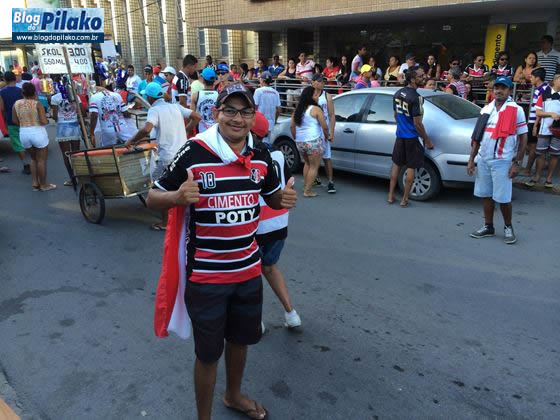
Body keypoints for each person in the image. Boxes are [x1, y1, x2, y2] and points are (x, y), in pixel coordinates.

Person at [148, 82, 296, 420]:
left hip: (248, 270)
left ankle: (233, 395)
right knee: (208, 354)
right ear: (216, 113)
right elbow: (152, 197)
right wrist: (176, 197)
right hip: (207, 277)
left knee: (241, 340)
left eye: (245, 111)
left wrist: (283, 199)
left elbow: (271, 196)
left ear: (253, 117)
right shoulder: (194, 152)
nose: (237, 118)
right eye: (230, 110)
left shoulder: (260, 154)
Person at [251, 112, 301, 330]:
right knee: (270, 267)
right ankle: (291, 314)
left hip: (256, 224)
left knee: (251, 274)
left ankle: (255, 321)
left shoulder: (250, 155)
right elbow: (289, 183)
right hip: (279, 221)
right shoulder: (278, 153)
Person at [126, 82, 199, 230]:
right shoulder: (175, 106)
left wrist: (131, 141)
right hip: (183, 154)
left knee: (158, 188)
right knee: (182, 184)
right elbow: (197, 116)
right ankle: (186, 217)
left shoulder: (154, 110)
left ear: (150, 98)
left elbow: (146, 129)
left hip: (167, 156)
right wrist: (186, 130)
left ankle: (165, 223)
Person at [467, 76, 528, 244]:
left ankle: (508, 227)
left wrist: (517, 163)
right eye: (497, 88)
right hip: (484, 159)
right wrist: (471, 159)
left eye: (503, 88)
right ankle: (488, 226)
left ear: (509, 90)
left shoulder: (516, 110)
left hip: (503, 161)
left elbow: (523, 137)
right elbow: (477, 136)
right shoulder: (486, 109)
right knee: (485, 195)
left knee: (503, 198)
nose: (499, 91)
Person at [388, 68, 434, 207]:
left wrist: (402, 127)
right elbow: (417, 123)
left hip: (400, 135)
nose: (424, 77)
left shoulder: (397, 93)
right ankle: (404, 199)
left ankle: (390, 196)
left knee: (396, 164)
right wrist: (427, 139)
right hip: (412, 137)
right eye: (421, 76)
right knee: (411, 167)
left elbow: (395, 115)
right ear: (413, 79)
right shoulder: (416, 97)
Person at [12, 83, 53, 191]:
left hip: (24, 133)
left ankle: (35, 183)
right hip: (37, 132)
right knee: (41, 160)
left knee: (33, 159)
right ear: (34, 92)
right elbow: (43, 121)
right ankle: (44, 185)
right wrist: (47, 120)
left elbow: (14, 121)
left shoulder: (16, 104)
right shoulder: (37, 104)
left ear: (22, 93)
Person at [291, 86, 328, 197]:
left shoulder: (298, 109)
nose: (317, 97)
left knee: (307, 164)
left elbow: (292, 126)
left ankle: (306, 186)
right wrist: (327, 136)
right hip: (313, 140)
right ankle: (308, 191)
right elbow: (325, 126)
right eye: (315, 95)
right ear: (310, 97)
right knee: (314, 166)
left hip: (300, 141)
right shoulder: (316, 109)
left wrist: (296, 138)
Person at [527, 74, 560, 188]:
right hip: (544, 129)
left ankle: (549, 178)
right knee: (540, 153)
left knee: (555, 155)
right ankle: (537, 176)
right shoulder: (544, 94)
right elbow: (538, 112)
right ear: (555, 81)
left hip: (558, 130)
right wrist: (550, 114)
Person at [51, 83, 82, 186]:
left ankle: (72, 179)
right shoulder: (76, 96)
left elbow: (55, 116)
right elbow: (82, 113)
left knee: (66, 155)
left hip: (62, 128)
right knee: (76, 154)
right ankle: (79, 176)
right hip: (75, 126)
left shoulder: (55, 98)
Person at [521, 67, 550, 176]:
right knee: (528, 144)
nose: (530, 79)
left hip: (536, 121)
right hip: (533, 121)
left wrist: (536, 124)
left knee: (532, 146)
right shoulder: (540, 88)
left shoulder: (544, 89)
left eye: (532, 77)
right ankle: (541, 164)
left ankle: (528, 170)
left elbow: (543, 108)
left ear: (537, 78)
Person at [0, 71, 29, 174]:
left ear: (5, 80)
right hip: (24, 119)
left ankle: (26, 164)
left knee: (17, 143)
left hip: (11, 120)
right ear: (15, 79)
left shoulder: (2, 92)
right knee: (27, 141)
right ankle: (33, 162)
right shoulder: (21, 91)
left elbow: (2, 108)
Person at [312, 73, 336, 193]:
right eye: (320, 81)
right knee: (312, 157)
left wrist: (331, 132)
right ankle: (313, 179)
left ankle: (330, 182)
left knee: (327, 157)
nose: (322, 83)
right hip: (312, 131)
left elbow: (332, 115)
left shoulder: (327, 96)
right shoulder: (308, 95)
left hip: (323, 130)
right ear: (313, 82)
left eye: (323, 81)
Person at [254, 71, 281, 142]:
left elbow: (254, 107)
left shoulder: (258, 91)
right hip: (271, 123)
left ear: (262, 80)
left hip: (260, 122)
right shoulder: (276, 92)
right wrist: (275, 120)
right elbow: (279, 110)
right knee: (268, 143)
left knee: (259, 143)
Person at [191, 68, 219, 134]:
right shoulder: (219, 95)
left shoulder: (195, 95)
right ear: (214, 80)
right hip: (215, 131)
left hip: (201, 132)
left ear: (203, 80)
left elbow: (192, 115)